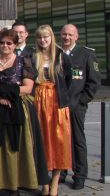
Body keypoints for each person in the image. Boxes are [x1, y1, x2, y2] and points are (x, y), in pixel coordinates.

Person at [0, 28, 48, 194]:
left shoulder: (24, 62)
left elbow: (28, 87)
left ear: (15, 44)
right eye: (2, 43)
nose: (5, 46)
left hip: (16, 108)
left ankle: (14, 184)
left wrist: (8, 93)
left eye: (9, 43)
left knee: (13, 146)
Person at [30, 25, 73, 195]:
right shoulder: (34, 56)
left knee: (58, 142)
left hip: (57, 103)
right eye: (40, 37)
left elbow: (69, 80)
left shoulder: (61, 56)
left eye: (46, 37)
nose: (43, 40)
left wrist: (63, 96)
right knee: (41, 142)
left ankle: (55, 182)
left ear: (51, 37)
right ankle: (45, 183)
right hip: (39, 100)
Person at [60, 24, 100, 190]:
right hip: (59, 106)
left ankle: (79, 175)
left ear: (76, 36)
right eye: (64, 35)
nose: (66, 38)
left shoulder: (86, 54)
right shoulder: (57, 54)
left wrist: (82, 100)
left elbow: (94, 81)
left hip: (76, 106)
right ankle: (61, 172)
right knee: (60, 140)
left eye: (70, 35)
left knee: (77, 141)